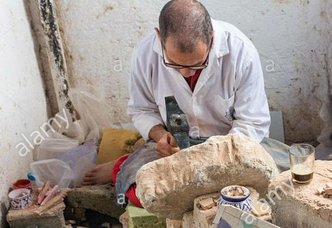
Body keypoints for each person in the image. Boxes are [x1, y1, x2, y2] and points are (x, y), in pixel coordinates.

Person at [83, 0, 278, 206]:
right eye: (174, 64)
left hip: (227, 149)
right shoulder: (145, 54)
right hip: (175, 151)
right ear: (159, 38)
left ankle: (135, 164)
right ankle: (121, 166)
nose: (187, 72)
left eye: (198, 64)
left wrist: (211, 156)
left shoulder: (240, 51)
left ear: (211, 38)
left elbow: (253, 123)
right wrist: (161, 137)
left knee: (270, 184)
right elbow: (142, 110)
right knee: (143, 193)